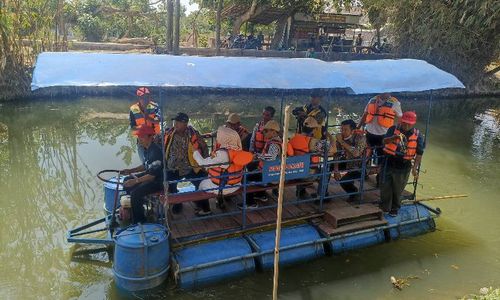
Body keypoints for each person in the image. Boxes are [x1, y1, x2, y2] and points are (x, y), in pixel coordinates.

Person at [193, 126, 253, 215]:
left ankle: (205, 210)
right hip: (236, 185)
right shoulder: (239, 151)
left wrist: (195, 152)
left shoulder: (221, 154)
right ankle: (220, 201)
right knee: (218, 178)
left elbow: (202, 163)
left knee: (201, 184)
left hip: (222, 188)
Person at [380, 111, 424, 216]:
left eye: (409, 123)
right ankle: (385, 206)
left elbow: (419, 153)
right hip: (389, 162)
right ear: (401, 121)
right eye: (404, 122)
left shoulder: (418, 135)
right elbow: (384, 141)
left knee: (398, 188)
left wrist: (415, 168)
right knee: (385, 186)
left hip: (404, 166)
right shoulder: (393, 129)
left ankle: (394, 208)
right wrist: (394, 138)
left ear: (413, 123)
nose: (406, 125)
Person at [164, 112, 209, 214]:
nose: (175, 124)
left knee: (202, 181)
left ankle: (204, 207)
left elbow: (204, 146)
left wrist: (205, 163)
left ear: (185, 124)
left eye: (178, 122)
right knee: (169, 183)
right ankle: (177, 203)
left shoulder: (193, 133)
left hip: (190, 167)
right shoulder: (169, 133)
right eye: (174, 122)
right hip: (173, 168)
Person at [121, 125, 164, 224]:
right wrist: (131, 171)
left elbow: (152, 176)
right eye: (139, 136)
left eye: (142, 136)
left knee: (136, 192)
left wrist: (135, 181)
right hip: (150, 175)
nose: (139, 139)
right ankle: (133, 208)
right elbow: (145, 166)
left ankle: (140, 220)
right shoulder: (147, 149)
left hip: (158, 181)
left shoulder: (156, 152)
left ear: (150, 137)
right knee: (126, 180)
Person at [240, 120, 288, 209]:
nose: (263, 133)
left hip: (271, 176)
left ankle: (250, 203)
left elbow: (271, 158)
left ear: (273, 132)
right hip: (271, 172)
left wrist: (258, 156)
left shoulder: (274, 144)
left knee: (246, 178)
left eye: (266, 131)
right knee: (252, 169)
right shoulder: (276, 142)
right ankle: (260, 194)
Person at [357, 93, 403, 179]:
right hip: (369, 133)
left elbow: (400, 118)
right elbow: (365, 114)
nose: (384, 92)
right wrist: (358, 127)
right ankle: (363, 174)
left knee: (382, 158)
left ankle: (380, 178)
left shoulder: (395, 103)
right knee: (365, 155)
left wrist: (396, 132)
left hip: (384, 135)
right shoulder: (372, 99)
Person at [289, 117, 336, 199]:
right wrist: (330, 137)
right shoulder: (313, 142)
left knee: (302, 164)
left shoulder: (293, 139)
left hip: (294, 172)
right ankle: (321, 196)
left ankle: (300, 192)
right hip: (307, 175)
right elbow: (333, 149)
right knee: (326, 170)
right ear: (313, 129)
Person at [332, 119, 367, 201]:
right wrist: (336, 169)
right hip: (346, 161)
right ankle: (323, 194)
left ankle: (354, 193)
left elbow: (356, 153)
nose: (342, 132)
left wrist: (342, 141)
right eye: (341, 129)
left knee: (344, 181)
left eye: (345, 130)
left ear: (353, 131)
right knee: (326, 168)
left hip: (359, 166)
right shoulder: (340, 138)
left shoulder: (361, 138)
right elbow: (336, 154)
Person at [129, 87, 161, 163]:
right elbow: (132, 127)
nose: (145, 99)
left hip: (155, 139)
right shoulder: (133, 109)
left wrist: (147, 118)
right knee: (144, 162)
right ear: (139, 98)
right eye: (143, 97)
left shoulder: (155, 106)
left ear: (150, 97)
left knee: (157, 161)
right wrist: (142, 129)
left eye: (147, 97)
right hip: (142, 141)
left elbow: (158, 121)